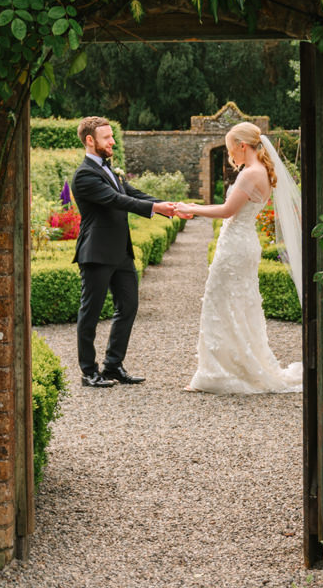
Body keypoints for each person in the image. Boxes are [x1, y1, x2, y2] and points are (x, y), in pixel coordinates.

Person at [178, 121, 304, 394]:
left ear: (242, 146)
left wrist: (193, 208)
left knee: (221, 301)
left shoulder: (250, 174)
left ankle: (218, 373)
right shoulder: (260, 171)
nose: (230, 155)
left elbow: (227, 211)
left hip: (235, 246)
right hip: (242, 242)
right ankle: (230, 367)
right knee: (239, 305)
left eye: (230, 149)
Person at [71, 115, 187, 388]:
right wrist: (155, 209)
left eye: (112, 136)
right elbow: (116, 200)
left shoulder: (110, 169)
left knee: (129, 307)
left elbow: (132, 192)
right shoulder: (85, 174)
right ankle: (89, 371)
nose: (112, 141)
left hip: (121, 252)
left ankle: (113, 365)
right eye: (107, 137)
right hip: (96, 253)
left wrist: (167, 205)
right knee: (90, 312)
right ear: (90, 140)